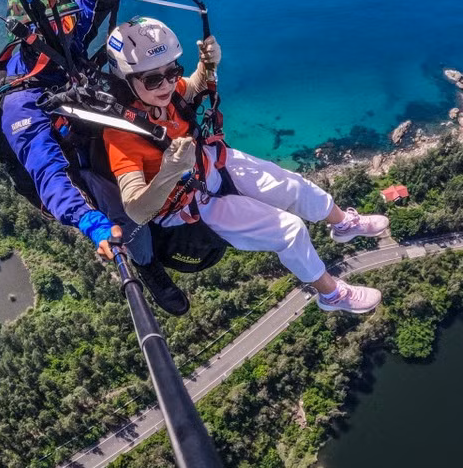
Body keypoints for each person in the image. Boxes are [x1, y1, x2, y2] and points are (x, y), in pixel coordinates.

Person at [100, 17, 389, 315]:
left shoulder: (166, 95)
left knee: (293, 185)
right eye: (153, 79)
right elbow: (135, 209)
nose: (168, 83)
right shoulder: (121, 133)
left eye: (173, 71)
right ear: (126, 79)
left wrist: (208, 64)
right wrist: (170, 171)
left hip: (209, 164)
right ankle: (331, 295)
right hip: (188, 206)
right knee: (290, 231)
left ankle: (343, 224)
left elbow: (194, 87)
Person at [0, 0, 189, 314]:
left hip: (106, 131)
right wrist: (91, 222)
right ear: (26, 36)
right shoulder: (21, 103)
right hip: (82, 163)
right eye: (54, 28)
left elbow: (93, 5)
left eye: (67, 25)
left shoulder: (67, 43)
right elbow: (48, 173)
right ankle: (149, 266)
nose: (65, 33)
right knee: (126, 219)